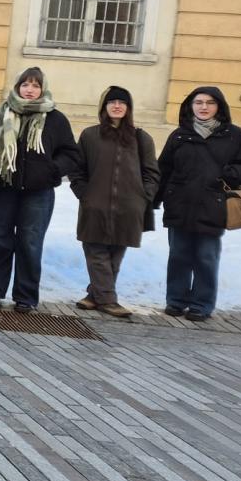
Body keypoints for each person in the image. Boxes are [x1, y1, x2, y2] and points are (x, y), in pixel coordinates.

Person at [157, 85, 241, 321]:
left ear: (219, 106)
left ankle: (201, 304)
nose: (203, 107)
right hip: (180, 204)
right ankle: (176, 300)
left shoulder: (235, 136)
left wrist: (230, 173)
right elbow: (163, 169)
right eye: (198, 102)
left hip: (213, 205)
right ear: (190, 106)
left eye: (209, 103)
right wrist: (155, 199)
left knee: (206, 257)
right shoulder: (179, 135)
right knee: (178, 255)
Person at [0, 67, 80, 312]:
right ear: (17, 88)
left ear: (42, 89)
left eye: (35, 85)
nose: (30, 90)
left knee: (30, 243)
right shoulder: (1, 113)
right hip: (2, 189)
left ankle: (25, 296)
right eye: (25, 85)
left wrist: (51, 170)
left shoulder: (55, 118)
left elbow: (70, 154)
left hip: (38, 192)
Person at [69, 86, 160, 319]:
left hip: (129, 208)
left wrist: (143, 197)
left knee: (115, 255)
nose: (117, 106)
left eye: (122, 102)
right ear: (104, 107)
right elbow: (77, 170)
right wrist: (84, 195)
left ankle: (94, 295)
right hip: (95, 206)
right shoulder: (90, 135)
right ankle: (108, 300)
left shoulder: (141, 138)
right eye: (112, 102)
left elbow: (152, 172)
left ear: (128, 108)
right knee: (96, 251)